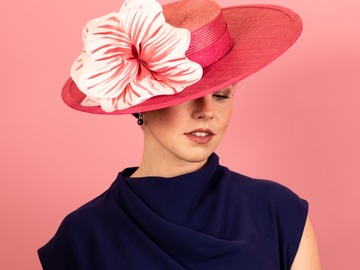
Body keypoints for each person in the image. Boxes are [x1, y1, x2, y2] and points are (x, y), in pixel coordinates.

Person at [38, 0, 321, 269]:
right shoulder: (82, 235)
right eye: (188, 95)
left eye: (222, 95)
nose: (207, 111)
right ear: (141, 105)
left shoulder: (278, 211)